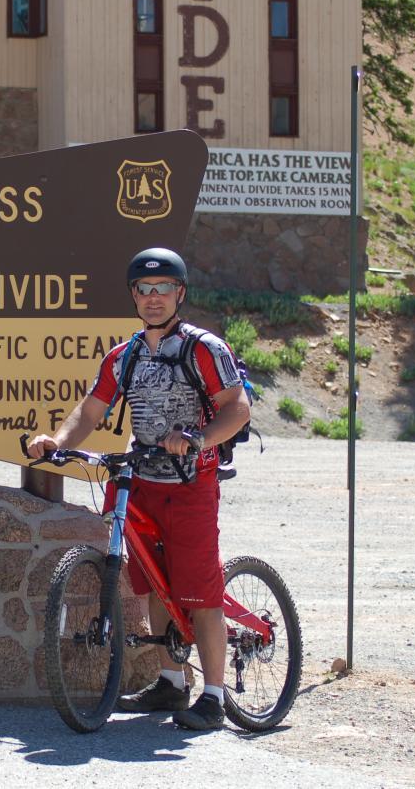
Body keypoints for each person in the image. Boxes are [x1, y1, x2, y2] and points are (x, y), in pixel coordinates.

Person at [26, 247, 250, 730]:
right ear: (134, 295)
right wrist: (57, 443)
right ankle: (172, 682)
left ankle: (212, 695)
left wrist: (196, 439)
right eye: (144, 290)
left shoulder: (203, 349)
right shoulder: (123, 356)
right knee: (153, 581)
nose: (153, 298)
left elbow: (237, 408)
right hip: (140, 480)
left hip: (190, 483)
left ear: (180, 293)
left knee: (200, 589)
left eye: (163, 288)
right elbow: (91, 411)